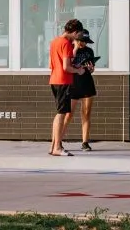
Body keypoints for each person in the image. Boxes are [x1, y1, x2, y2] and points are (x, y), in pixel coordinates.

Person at [47, 18, 85, 156]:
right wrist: (78, 70)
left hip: (54, 79)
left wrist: (73, 67)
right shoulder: (66, 44)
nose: (79, 37)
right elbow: (66, 67)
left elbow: (51, 64)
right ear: (74, 32)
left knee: (59, 113)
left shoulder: (54, 41)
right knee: (61, 114)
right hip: (63, 81)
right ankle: (57, 147)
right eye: (78, 34)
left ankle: (53, 147)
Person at [70, 30, 98, 151]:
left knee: (86, 114)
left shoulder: (89, 51)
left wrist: (91, 68)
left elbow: (91, 70)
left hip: (87, 82)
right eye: (83, 42)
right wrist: (75, 48)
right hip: (74, 83)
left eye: (86, 42)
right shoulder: (70, 49)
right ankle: (58, 141)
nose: (85, 44)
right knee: (68, 114)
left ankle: (85, 142)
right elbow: (68, 63)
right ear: (77, 40)